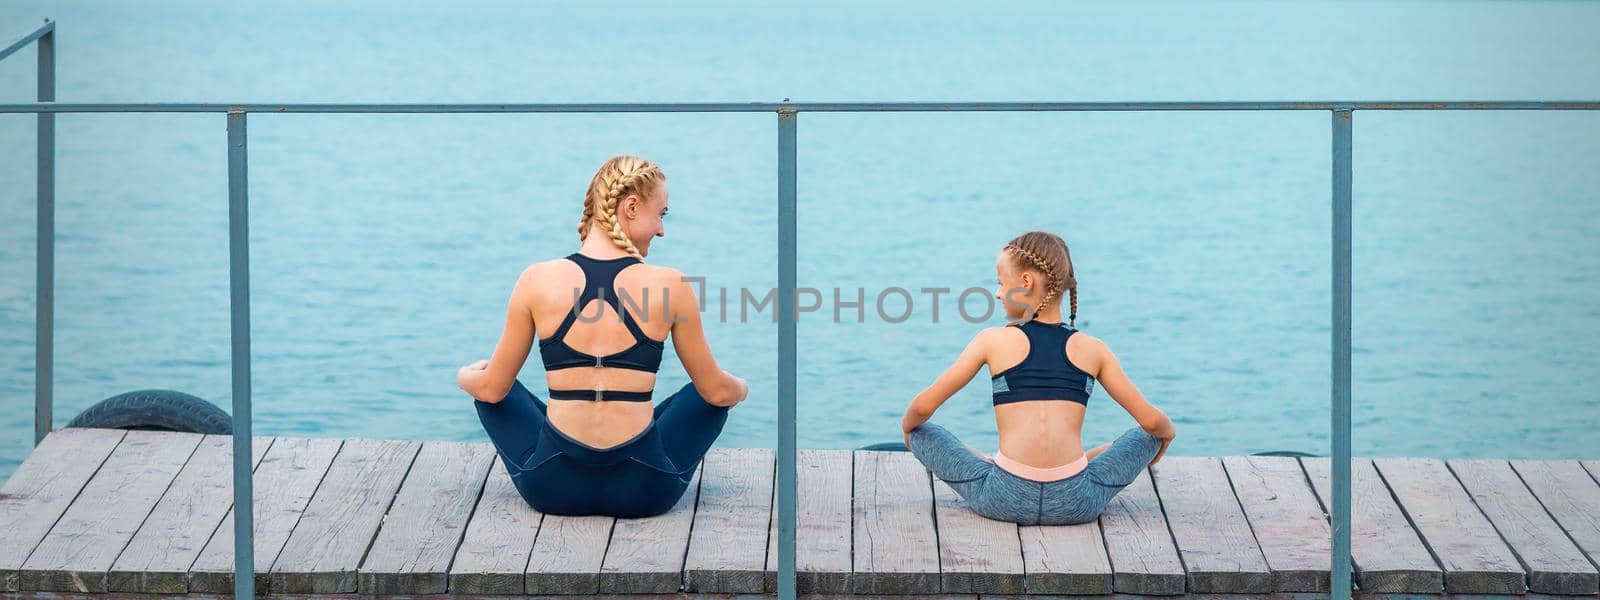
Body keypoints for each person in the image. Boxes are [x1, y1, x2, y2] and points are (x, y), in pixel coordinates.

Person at [457, 155, 748, 518]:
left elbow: (492, 392)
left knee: (490, 385)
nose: (661, 230)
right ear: (630, 207)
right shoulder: (671, 285)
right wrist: (740, 388)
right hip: (644, 490)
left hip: (552, 486)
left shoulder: (536, 279)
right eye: (662, 214)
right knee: (709, 395)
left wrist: (465, 376)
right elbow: (717, 393)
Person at [900, 231, 1176, 525]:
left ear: (1026, 282)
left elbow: (921, 409)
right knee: (1145, 436)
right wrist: (1166, 435)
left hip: (1003, 497)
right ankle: (1081, 462)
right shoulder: (1093, 349)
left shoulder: (992, 341)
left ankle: (995, 462)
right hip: (1076, 502)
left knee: (921, 432)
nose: (996, 292)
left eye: (1000, 282)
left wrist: (908, 431)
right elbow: (1151, 423)